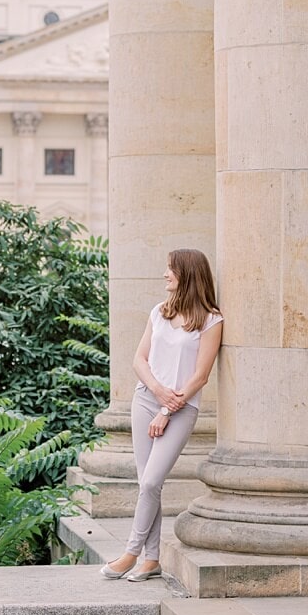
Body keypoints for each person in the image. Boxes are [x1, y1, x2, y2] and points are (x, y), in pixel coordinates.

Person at [100, 249, 223, 582]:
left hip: (182, 408)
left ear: (187, 274)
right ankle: (151, 559)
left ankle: (130, 552)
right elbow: (139, 359)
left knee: (152, 480)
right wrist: (156, 392)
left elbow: (200, 376)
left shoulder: (212, 320)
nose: (165, 274)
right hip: (145, 401)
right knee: (147, 485)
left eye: (171, 269)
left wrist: (168, 409)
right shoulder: (159, 312)